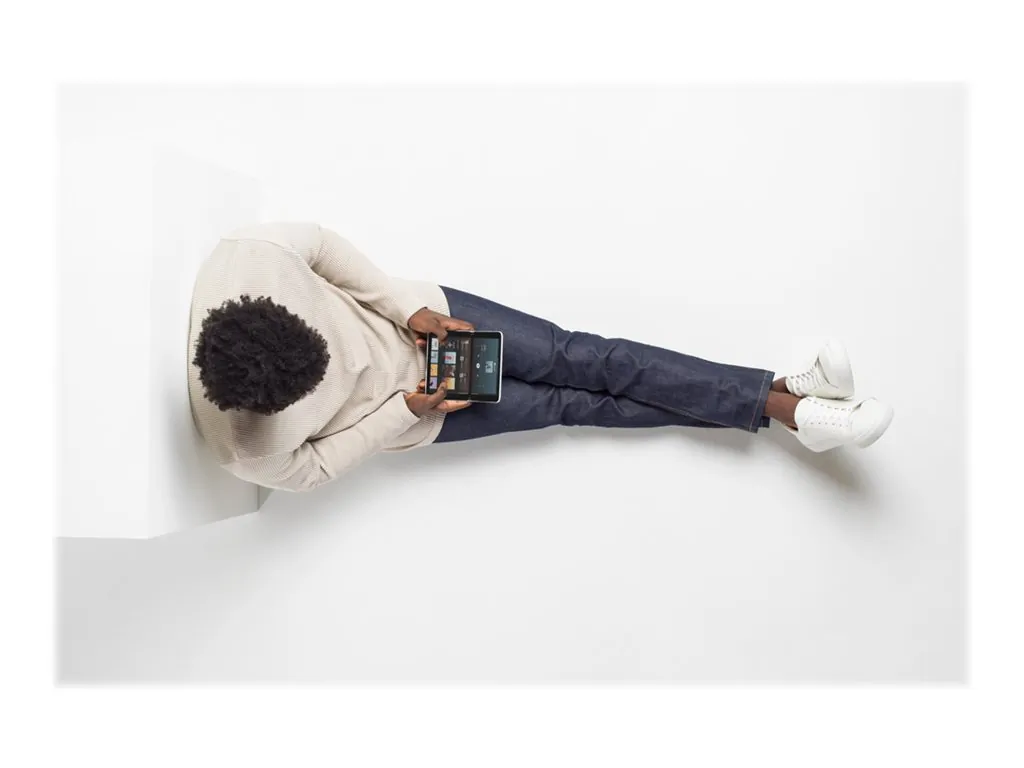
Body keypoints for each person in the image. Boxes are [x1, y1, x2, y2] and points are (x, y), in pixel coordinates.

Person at [188, 222, 893, 492]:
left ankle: (787, 404)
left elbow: (317, 243)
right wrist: (405, 408)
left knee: (594, 359)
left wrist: (406, 310)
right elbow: (313, 470)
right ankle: (789, 401)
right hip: (423, 413)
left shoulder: (250, 260)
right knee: (574, 403)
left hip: (426, 322)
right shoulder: (247, 449)